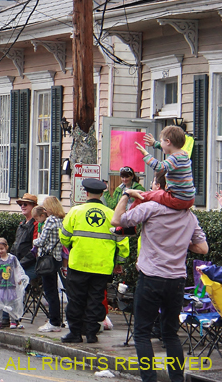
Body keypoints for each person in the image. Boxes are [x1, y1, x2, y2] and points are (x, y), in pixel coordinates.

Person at [112, 174, 208, 382]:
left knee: (142, 333)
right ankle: (176, 379)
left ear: (161, 188)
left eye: (154, 184)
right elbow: (203, 248)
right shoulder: (189, 216)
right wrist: (180, 243)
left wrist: (126, 194)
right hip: (176, 281)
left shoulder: (151, 209)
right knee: (171, 334)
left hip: (151, 278)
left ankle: (150, 379)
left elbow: (117, 220)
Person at [59, 178, 129, 344]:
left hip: (79, 264)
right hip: (102, 266)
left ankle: (75, 333)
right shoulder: (112, 214)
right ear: (102, 193)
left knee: (76, 300)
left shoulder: (75, 212)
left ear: (86, 192)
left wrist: (73, 247)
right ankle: (91, 333)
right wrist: (119, 262)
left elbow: (64, 237)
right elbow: (123, 243)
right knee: (95, 300)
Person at [129, 126, 194, 209]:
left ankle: (126, 217)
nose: (161, 143)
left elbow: (160, 167)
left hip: (177, 199)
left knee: (143, 196)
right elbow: (168, 148)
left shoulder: (174, 158)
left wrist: (146, 155)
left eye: (161, 141)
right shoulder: (183, 154)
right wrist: (155, 144)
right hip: (189, 199)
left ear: (168, 142)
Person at [33, 200, 65, 333]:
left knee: (50, 291)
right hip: (57, 257)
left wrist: (34, 240)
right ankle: (57, 319)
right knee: (54, 291)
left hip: (48, 259)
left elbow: (41, 241)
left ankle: (54, 321)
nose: (44, 209)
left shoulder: (50, 220)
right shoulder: (61, 220)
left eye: (45, 206)